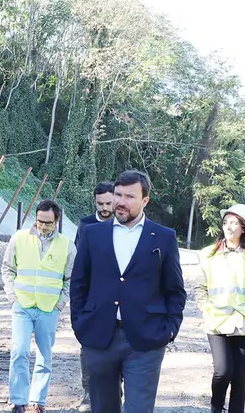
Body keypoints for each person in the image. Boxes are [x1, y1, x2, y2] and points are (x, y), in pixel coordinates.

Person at [70, 169, 187, 413]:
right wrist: (80, 324)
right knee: (103, 408)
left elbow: (175, 290)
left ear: (145, 201)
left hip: (146, 340)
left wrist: (169, 329)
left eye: (130, 197)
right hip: (99, 338)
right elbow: (79, 284)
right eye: (118, 195)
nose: (121, 202)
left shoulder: (164, 238)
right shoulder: (92, 233)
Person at [1, 199, 77, 413]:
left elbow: (71, 278)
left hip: (48, 308)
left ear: (57, 222)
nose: (43, 226)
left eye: (48, 223)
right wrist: (12, 297)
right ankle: (18, 401)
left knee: (45, 355)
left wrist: (60, 304)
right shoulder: (19, 239)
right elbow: (7, 269)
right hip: (22, 306)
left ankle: (38, 401)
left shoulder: (67, 246)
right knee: (19, 351)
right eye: (39, 222)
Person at [193, 203, 245, 413]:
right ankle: (216, 407)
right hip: (217, 322)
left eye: (234, 223)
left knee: (240, 376)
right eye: (225, 222)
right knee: (223, 371)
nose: (228, 227)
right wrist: (206, 309)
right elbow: (199, 288)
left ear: (243, 228)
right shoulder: (208, 254)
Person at [73, 181, 115, 412]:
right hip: (92, 294)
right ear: (95, 202)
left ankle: (114, 386)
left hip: (117, 294)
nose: (105, 208)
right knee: (87, 343)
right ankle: (89, 392)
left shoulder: (123, 223)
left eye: (109, 203)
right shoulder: (86, 225)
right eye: (100, 204)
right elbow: (81, 262)